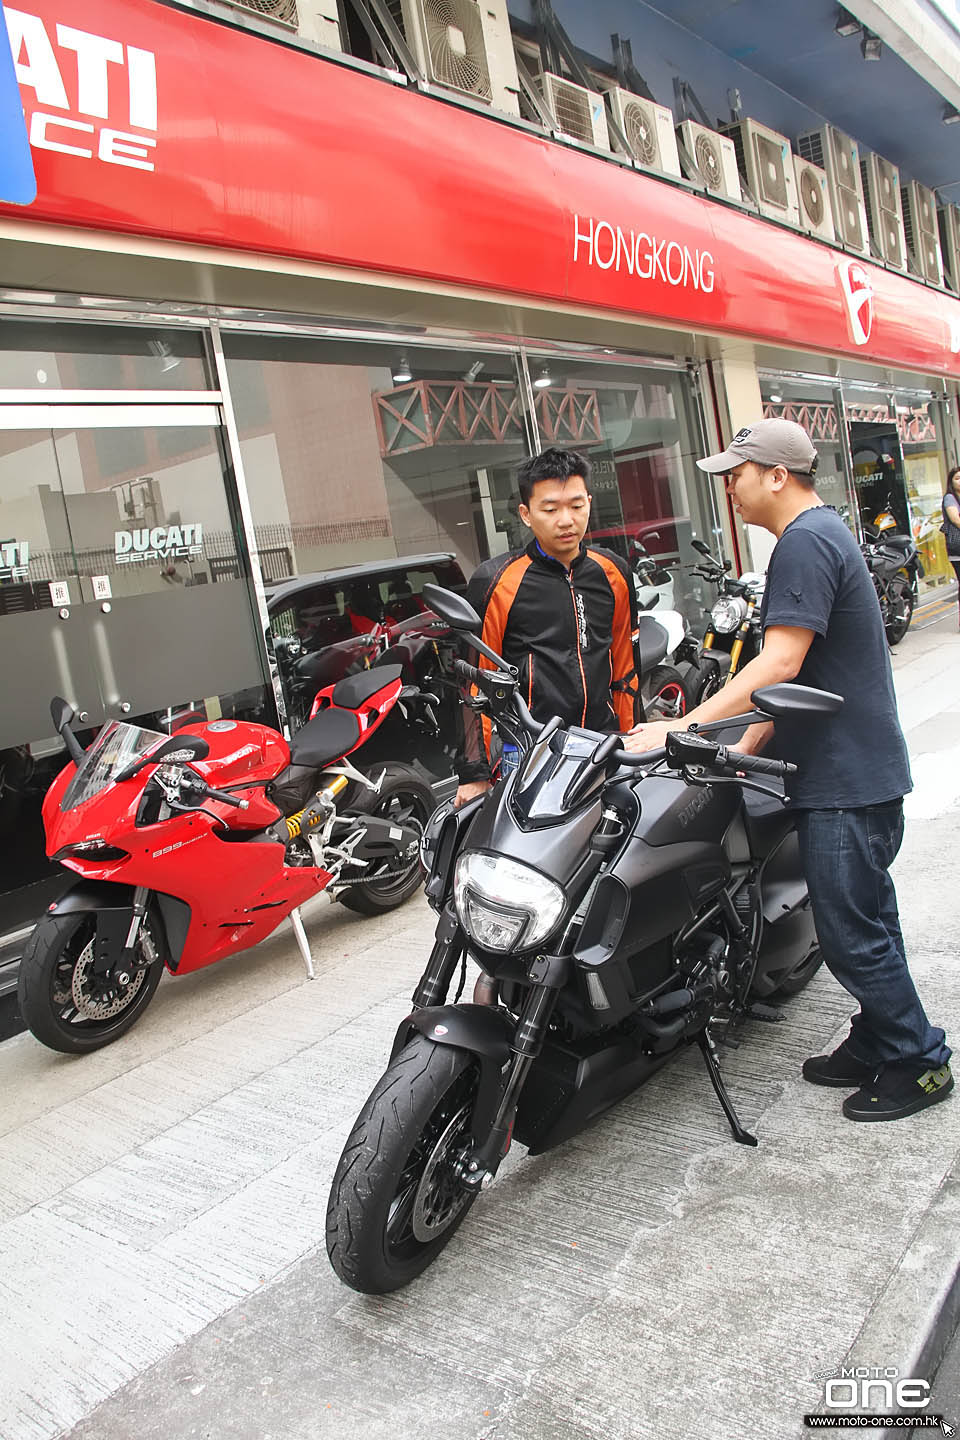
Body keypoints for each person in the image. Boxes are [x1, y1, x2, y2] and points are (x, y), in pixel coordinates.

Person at [625, 417, 952, 1123]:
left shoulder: (804, 543)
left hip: (847, 780)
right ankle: (878, 1036)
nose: (729, 491)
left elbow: (779, 663)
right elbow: (791, 679)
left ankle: (919, 1062)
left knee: (849, 932)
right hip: (851, 772)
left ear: (777, 475)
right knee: (869, 920)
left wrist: (685, 726)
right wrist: (737, 748)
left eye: (736, 476)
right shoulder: (820, 534)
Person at [454, 447, 639, 808]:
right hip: (530, 753)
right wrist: (474, 773)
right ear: (526, 513)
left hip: (603, 746)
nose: (566, 520)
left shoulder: (613, 572)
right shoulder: (497, 581)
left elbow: (626, 667)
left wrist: (632, 740)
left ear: (589, 501)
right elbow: (474, 680)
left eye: (576, 505)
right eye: (550, 509)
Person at [942, 465, 960, 627]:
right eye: (957, 479)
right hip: (957, 548)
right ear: (951, 482)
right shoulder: (950, 498)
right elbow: (955, 519)